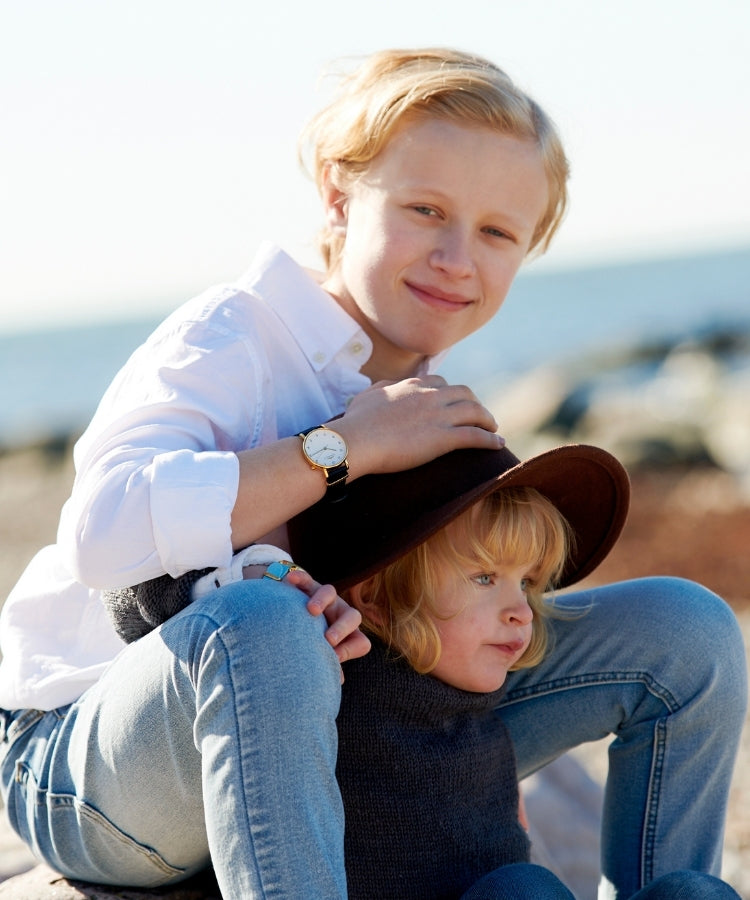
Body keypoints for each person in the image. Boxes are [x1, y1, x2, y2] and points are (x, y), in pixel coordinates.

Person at [0, 47, 745, 899]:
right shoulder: (230, 339)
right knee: (268, 626)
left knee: (684, 629)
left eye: (498, 232)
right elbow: (101, 536)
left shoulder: (422, 396)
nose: (458, 258)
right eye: (426, 210)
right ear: (337, 197)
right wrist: (342, 450)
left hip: (363, 724)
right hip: (95, 765)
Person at [286, 442, 740, 900]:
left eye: (526, 582)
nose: (522, 610)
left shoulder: (479, 719)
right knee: (521, 888)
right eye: (485, 578)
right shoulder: (337, 705)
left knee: (694, 892)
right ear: (378, 599)